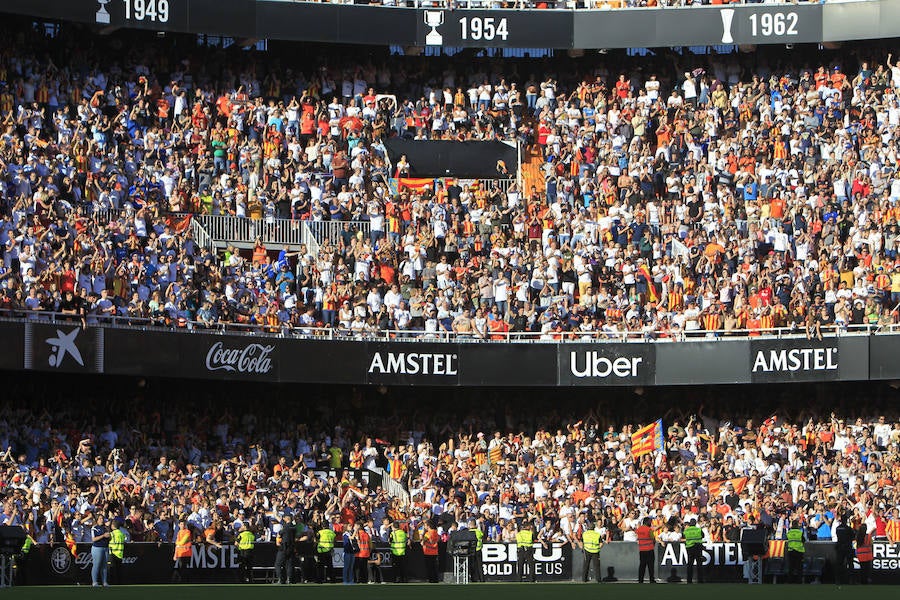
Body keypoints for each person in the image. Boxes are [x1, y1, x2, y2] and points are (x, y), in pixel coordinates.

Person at [274, 513, 296, 585]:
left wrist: (278, 540)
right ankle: (289, 579)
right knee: (289, 564)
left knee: (278, 564)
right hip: (291, 547)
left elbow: (279, 534)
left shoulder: (286, 527)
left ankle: (280, 579)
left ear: (287, 518)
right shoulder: (293, 527)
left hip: (284, 547)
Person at [90, 514, 111, 587]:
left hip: (105, 547)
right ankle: (95, 582)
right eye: (100, 518)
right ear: (97, 520)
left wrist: (109, 536)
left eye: (102, 518)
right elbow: (93, 539)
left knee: (104, 565)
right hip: (97, 548)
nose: (102, 520)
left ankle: (104, 582)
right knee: (96, 565)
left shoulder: (105, 528)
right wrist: (103, 536)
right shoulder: (94, 528)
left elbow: (108, 538)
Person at [833, 514, 854, 585]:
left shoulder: (838, 528)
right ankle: (851, 580)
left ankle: (838, 580)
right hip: (847, 547)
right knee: (850, 564)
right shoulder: (848, 528)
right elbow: (852, 537)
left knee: (839, 564)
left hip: (839, 547)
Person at [683, 517, 704, 584]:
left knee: (690, 564)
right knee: (699, 564)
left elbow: (684, 536)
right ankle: (700, 580)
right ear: (695, 523)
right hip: (698, 547)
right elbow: (702, 536)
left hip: (689, 548)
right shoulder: (698, 529)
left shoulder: (686, 530)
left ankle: (689, 580)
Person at [108, 517, 128, 586]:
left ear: (112, 526)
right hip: (120, 554)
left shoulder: (111, 534)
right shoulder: (122, 534)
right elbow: (125, 541)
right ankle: (120, 584)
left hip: (112, 553)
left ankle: (113, 584)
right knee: (119, 570)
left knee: (112, 570)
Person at [636, 516, 657, 583]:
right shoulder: (649, 529)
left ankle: (640, 580)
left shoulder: (639, 529)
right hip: (649, 549)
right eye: (650, 522)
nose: (651, 523)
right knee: (650, 566)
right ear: (647, 522)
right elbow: (653, 538)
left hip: (642, 550)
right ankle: (651, 579)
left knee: (642, 566)